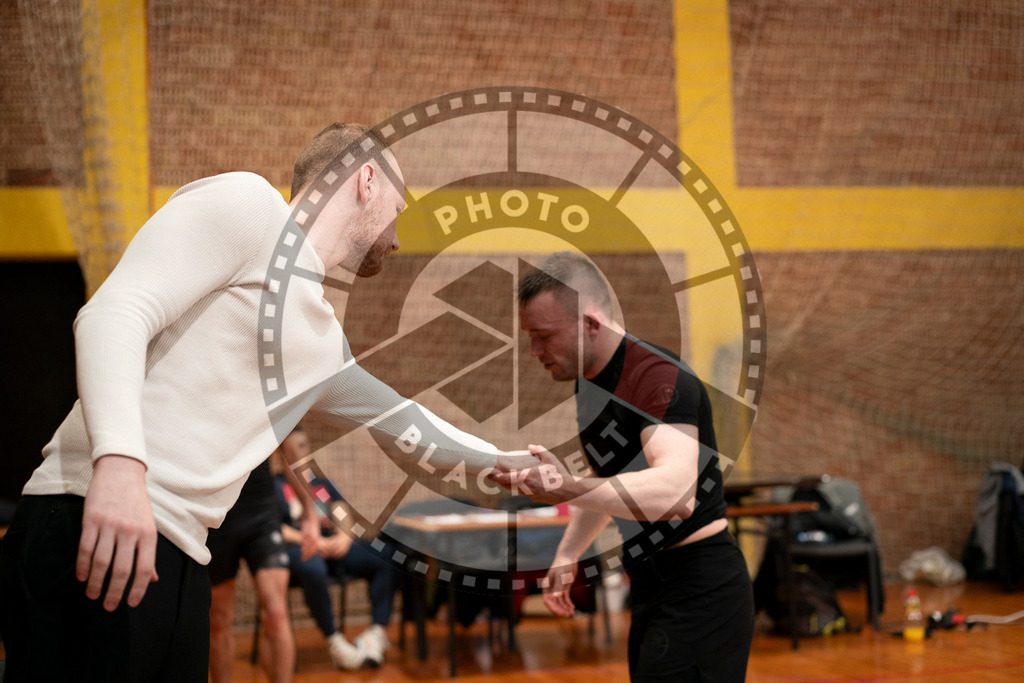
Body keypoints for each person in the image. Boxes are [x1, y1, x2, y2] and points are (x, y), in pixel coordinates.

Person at [0, 122, 532, 682]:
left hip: (181, 554)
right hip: (94, 507)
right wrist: (119, 466)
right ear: (366, 180)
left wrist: (509, 463)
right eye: (400, 208)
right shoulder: (250, 207)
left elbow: (403, 419)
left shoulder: (323, 343)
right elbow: (114, 314)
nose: (398, 239)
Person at [491, 252, 755, 682]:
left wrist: (566, 488)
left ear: (591, 324)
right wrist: (568, 553)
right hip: (650, 584)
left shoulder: (656, 377)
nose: (534, 351)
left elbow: (676, 494)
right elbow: (606, 480)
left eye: (543, 336)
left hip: (702, 586)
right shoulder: (590, 381)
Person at [272, 427, 397, 669]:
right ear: (280, 452)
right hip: (301, 550)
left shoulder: (322, 485)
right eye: (295, 447)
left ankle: (376, 633)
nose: (302, 452)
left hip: (333, 546)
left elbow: (342, 513)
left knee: (384, 555)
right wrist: (311, 541)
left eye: (305, 445)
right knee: (312, 566)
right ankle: (335, 641)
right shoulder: (275, 487)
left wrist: (344, 537)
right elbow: (276, 528)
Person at [206, 451, 315, 682]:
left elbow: (292, 454)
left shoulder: (270, 412)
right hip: (218, 516)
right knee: (218, 620)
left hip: (262, 514)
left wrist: (310, 513)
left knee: (275, 613)